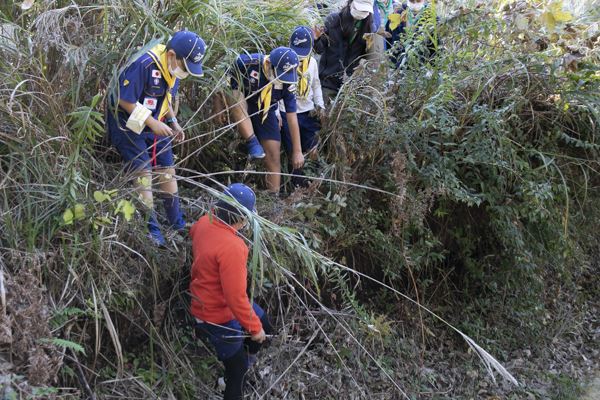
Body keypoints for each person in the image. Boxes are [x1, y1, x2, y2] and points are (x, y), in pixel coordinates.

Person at [106, 30, 206, 246]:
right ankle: (151, 228)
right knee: (144, 171)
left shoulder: (173, 69)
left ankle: (176, 222)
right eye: (184, 67)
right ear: (171, 55)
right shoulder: (144, 64)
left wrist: (173, 122)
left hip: (157, 121)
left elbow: (166, 98)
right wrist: (152, 123)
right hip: (127, 120)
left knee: (167, 169)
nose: (184, 73)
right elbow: (125, 100)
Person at [190, 183, 274, 400]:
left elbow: (194, 235)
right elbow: (235, 298)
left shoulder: (203, 222)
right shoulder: (233, 248)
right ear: (242, 219)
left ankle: (246, 356)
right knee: (238, 373)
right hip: (216, 314)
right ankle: (234, 372)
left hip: (210, 297)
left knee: (266, 325)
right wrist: (254, 329)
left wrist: (257, 327)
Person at [214, 47, 305, 193]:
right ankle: (252, 141)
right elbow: (223, 82)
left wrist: (297, 151)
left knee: (273, 154)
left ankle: (273, 196)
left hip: (266, 110)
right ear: (269, 63)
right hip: (241, 104)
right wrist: (218, 106)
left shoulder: (288, 80)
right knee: (236, 97)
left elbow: (291, 116)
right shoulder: (247, 62)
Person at [280, 26, 325, 188]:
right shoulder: (283, 61)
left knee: (313, 147)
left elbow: (316, 85)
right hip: (286, 112)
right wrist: (277, 112)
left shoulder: (312, 63)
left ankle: (316, 181)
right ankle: (296, 186)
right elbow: (276, 89)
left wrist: (321, 107)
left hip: (308, 111)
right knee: (294, 151)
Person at [313, 0, 375, 103]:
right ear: (350, 3)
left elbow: (366, 57)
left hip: (349, 85)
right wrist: (316, 39)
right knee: (323, 114)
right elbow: (319, 49)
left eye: (364, 10)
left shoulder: (368, 28)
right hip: (328, 81)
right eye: (359, 8)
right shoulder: (334, 20)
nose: (361, 12)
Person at [385, 0, 438, 68]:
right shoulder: (397, 14)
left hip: (422, 66)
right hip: (398, 64)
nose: (415, 4)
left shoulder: (431, 17)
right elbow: (388, 38)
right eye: (412, 1)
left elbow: (435, 46)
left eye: (418, 1)